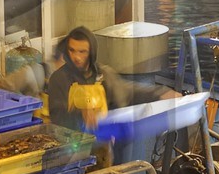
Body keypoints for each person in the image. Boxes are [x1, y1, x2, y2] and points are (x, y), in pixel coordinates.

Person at [45, 25, 176, 133]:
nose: (76, 57)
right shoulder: (59, 79)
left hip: (103, 143)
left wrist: (161, 93)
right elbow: (57, 117)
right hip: (72, 147)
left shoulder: (104, 74)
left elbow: (128, 91)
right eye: (72, 50)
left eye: (82, 52)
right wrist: (80, 115)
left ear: (92, 52)